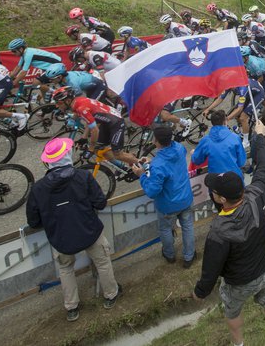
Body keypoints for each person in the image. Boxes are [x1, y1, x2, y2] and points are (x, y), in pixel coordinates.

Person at [192, 120, 265, 346]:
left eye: (214, 191)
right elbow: (263, 166)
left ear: (221, 199)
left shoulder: (219, 229)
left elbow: (211, 269)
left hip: (239, 282)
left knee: (233, 312)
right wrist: (258, 136)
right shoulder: (256, 193)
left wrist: (200, 292)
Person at [26, 137, 121, 322]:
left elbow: (33, 221)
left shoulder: (38, 188)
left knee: (65, 270)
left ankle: (72, 307)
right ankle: (111, 294)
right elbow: (100, 203)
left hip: (61, 238)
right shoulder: (83, 176)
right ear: (68, 156)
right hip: (89, 231)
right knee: (103, 262)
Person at [132, 125, 197, 268]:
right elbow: (169, 167)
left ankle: (169, 254)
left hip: (168, 205)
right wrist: (150, 164)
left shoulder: (159, 164)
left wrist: (141, 175)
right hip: (185, 198)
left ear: (156, 141)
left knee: (165, 229)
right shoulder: (179, 148)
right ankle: (189, 256)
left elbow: (152, 191)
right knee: (188, 227)